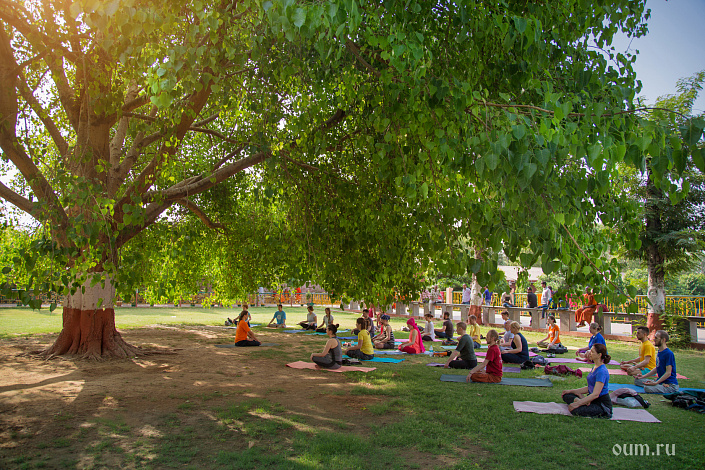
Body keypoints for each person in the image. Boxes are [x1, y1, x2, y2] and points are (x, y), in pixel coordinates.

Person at [561, 343, 613, 418]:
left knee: (575, 410)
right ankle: (583, 401)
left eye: (592, 351)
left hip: (601, 405)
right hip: (592, 400)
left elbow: (595, 394)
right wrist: (571, 391)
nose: (589, 353)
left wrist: (577, 404)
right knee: (566, 395)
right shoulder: (595, 367)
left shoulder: (602, 371)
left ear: (599, 355)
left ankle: (582, 402)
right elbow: (590, 387)